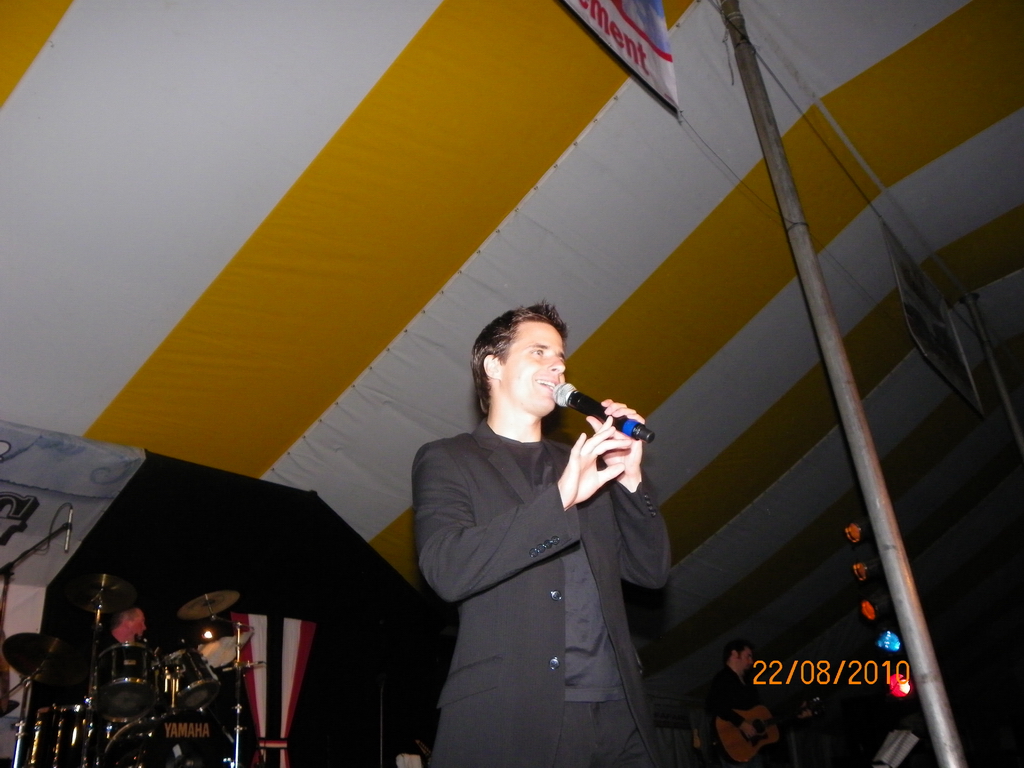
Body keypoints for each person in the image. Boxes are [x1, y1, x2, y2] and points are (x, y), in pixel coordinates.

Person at [413, 303, 670, 768]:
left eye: (561, 357)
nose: (558, 366)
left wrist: (629, 477)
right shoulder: (449, 459)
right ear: (493, 366)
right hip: (516, 713)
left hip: (619, 710)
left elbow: (650, 572)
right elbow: (447, 570)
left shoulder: (580, 460)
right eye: (539, 352)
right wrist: (562, 498)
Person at [705, 639, 765, 767]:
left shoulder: (748, 684)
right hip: (734, 748)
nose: (751, 661)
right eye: (748, 656)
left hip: (752, 747)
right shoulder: (723, 679)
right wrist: (740, 722)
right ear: (734, 654)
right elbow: (713, 704)